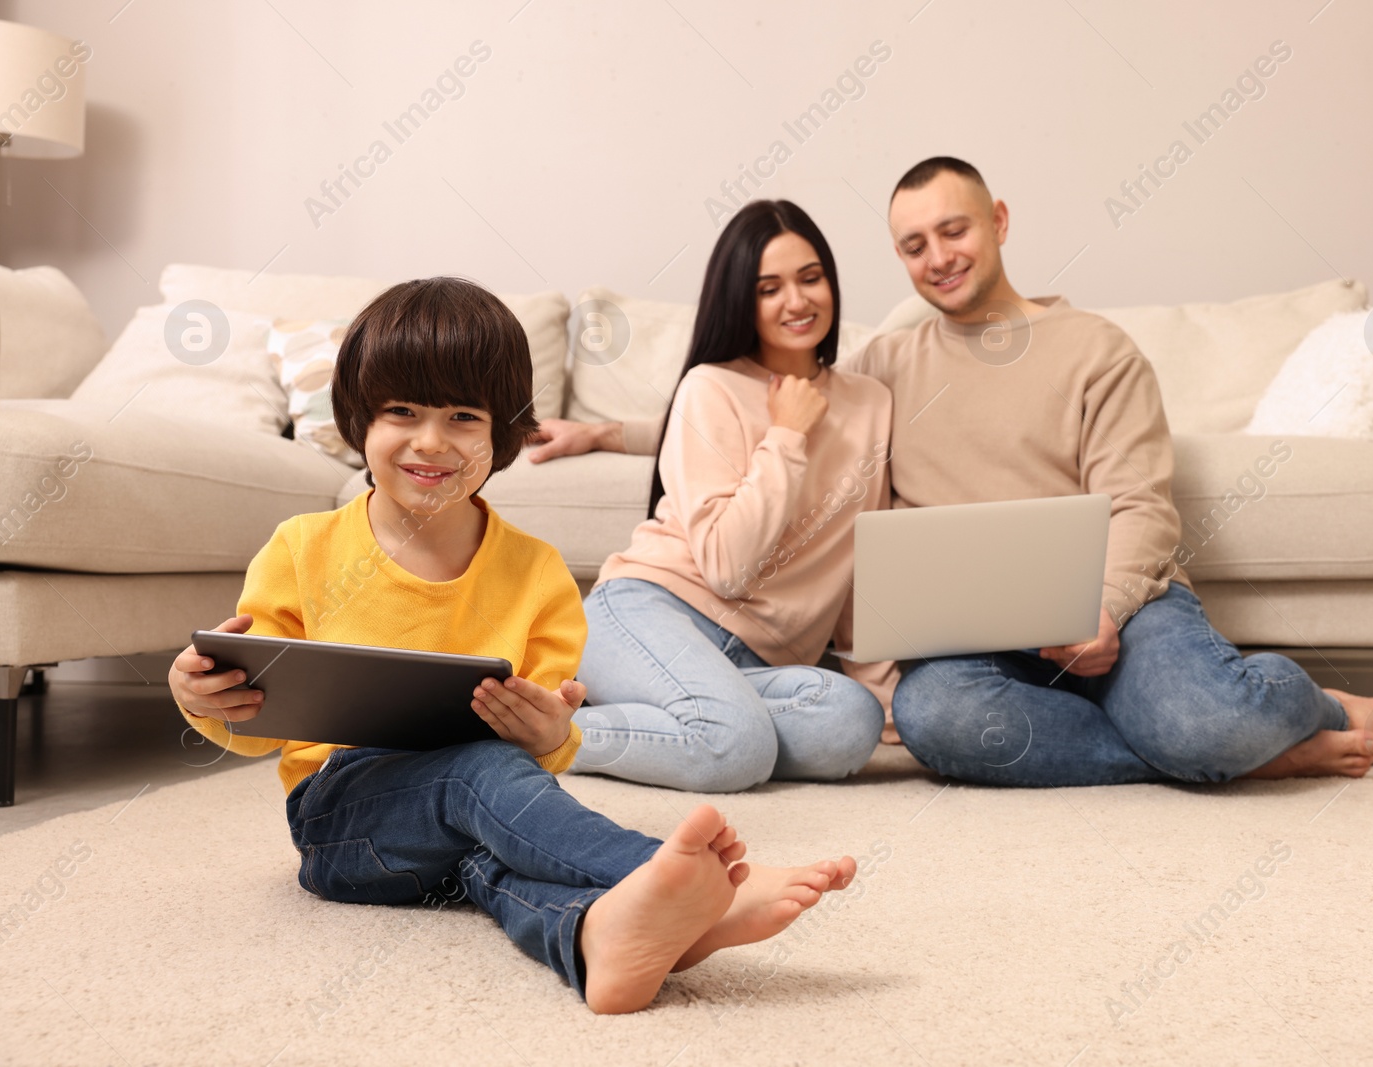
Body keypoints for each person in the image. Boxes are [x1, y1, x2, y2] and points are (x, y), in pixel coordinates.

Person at [166, 277, 857, 1014]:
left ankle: (595, 936)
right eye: (402, 411)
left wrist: (555, 734)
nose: (430, 441)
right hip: (341, 824)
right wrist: (204, 698)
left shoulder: (537, 572)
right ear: (359, 419)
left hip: (456, 831)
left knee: (488, 856)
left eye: (462, 417)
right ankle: (691, 883)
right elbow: (250, 716)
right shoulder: (301, 548)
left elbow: (544, 743)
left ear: (501, 435)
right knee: (477, 775)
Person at [849, 156, 1373, 786]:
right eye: (914, 245)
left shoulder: (1097, 348)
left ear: (999, 222)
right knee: (933, 718)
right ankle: (1251, 757)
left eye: (954, 231)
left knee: (1212, 723)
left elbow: (1139, 504)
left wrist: (1103, 608)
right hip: (971, 637)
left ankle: (1330, 709)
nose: (938, 257)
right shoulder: (884, 365)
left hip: (1115, 605)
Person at [569, 200, 893, 793]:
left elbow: (859, 554)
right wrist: (787, 435)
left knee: (853, 722)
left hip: (757, 663)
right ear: (742, 299)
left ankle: (687, 721)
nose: (796, 302)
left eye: (810, 278)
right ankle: (543, 734)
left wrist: (877, 682)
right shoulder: (709, 387)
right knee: (736, 749)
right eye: (770, 288)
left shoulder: (871, 402)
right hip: (648, 611)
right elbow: (727, 567)